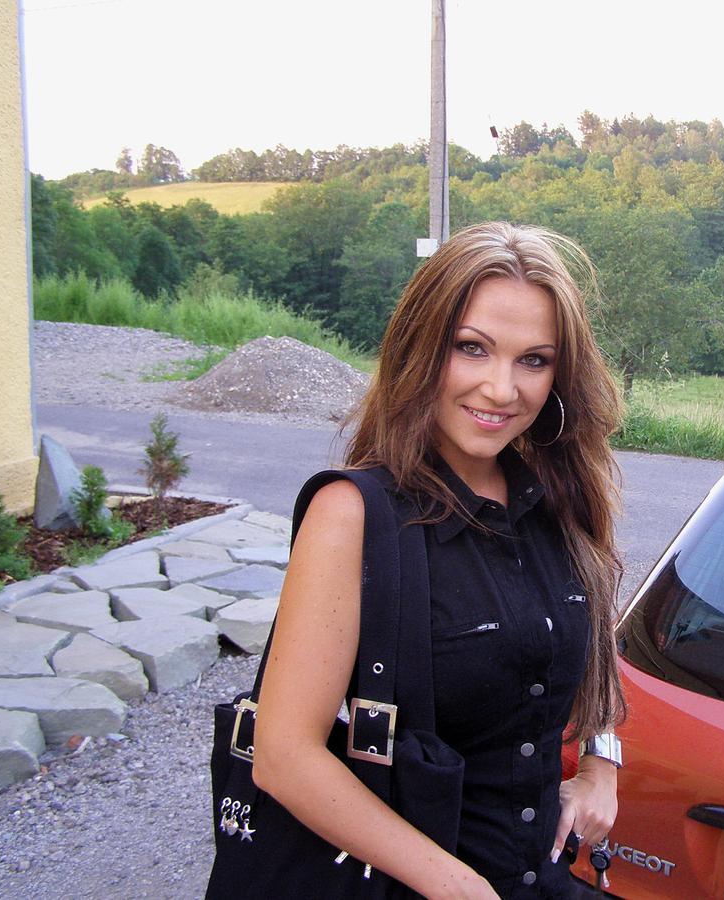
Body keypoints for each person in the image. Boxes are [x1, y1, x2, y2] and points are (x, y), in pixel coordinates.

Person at [251, 222, 626, 898]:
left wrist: (602, 762)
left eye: (533, 360)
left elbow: (589, 665)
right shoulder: (354, 516)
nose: (501, 389)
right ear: (421, 346)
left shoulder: (559, 508)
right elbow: (284, 756)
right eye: (471, 348)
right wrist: (456, 886)